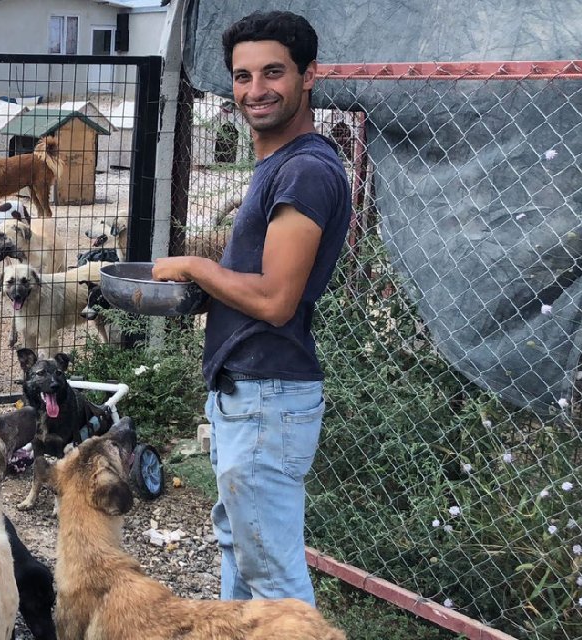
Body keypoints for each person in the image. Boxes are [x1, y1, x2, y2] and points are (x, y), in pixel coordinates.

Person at [152, 10, 350, 607]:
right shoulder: (278, 167)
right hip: (250, 394)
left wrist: (196, 268)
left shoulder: (305, 171)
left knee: (275, 581)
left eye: (272, 73)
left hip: (268, 395)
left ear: (308, 76)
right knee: (241, 551)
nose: (254, 90)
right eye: (241, 77)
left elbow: (276, 299)